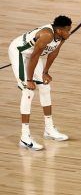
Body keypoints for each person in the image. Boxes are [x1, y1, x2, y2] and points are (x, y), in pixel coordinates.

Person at [8, 15, 72, 151]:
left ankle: (49, 130)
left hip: (33, 56)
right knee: (28, 91)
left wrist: (45, 72)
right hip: (20, 53)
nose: (69, 32)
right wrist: (30, 80)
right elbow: (34, 57)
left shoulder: (62, 37)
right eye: (67, 30)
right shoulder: (46, 35)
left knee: (45, 87)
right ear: (59, 30)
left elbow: (54, 53)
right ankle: (24, 138)